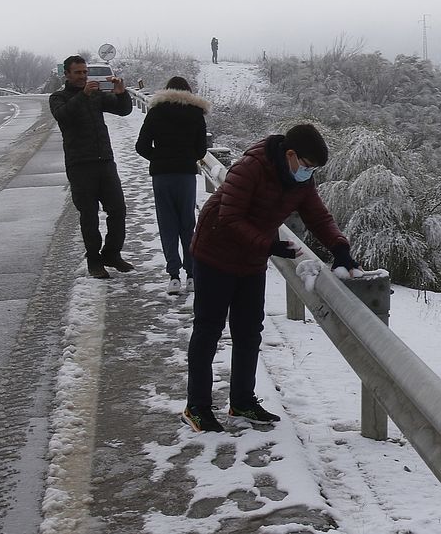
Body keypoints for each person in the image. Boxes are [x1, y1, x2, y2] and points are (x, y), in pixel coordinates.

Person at [183, 124, 359, 432]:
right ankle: (196, 406)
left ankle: (242, 402)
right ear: (290, 155)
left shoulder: (300, 180)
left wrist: (339, 248)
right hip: (215, 253)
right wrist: (270, 245)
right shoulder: (251, 168)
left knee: (249, 331)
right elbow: (229, 217)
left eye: (313, 169)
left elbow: (318, 216)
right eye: (306, 166)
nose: (309, 173)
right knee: (208, 330)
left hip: (250, 259)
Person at [49, 55, 134, 279]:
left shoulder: (96, 95)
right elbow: (63, 117)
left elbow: (123, 110)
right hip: (80, 164)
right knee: (89, 215)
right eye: (78, 73)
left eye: (85, 72)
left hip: (104, 161)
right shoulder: (59, 97)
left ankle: (112, 254)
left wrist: (121, 93)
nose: (83, 76)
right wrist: (83, 96)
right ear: (67, 74)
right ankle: (94, 261)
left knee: (118, 210)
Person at [135, 76, 209, 295]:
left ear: (166, 90)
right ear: (188, 91)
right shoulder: (196, 113)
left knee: (167, 224)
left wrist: (158, 158)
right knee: (188, 224)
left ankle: (173, 276)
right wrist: (187, 157)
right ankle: (192, 275)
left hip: (162, 176)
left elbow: (141, 146)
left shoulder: (156, 111)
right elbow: (201, 150)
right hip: (186, 174)